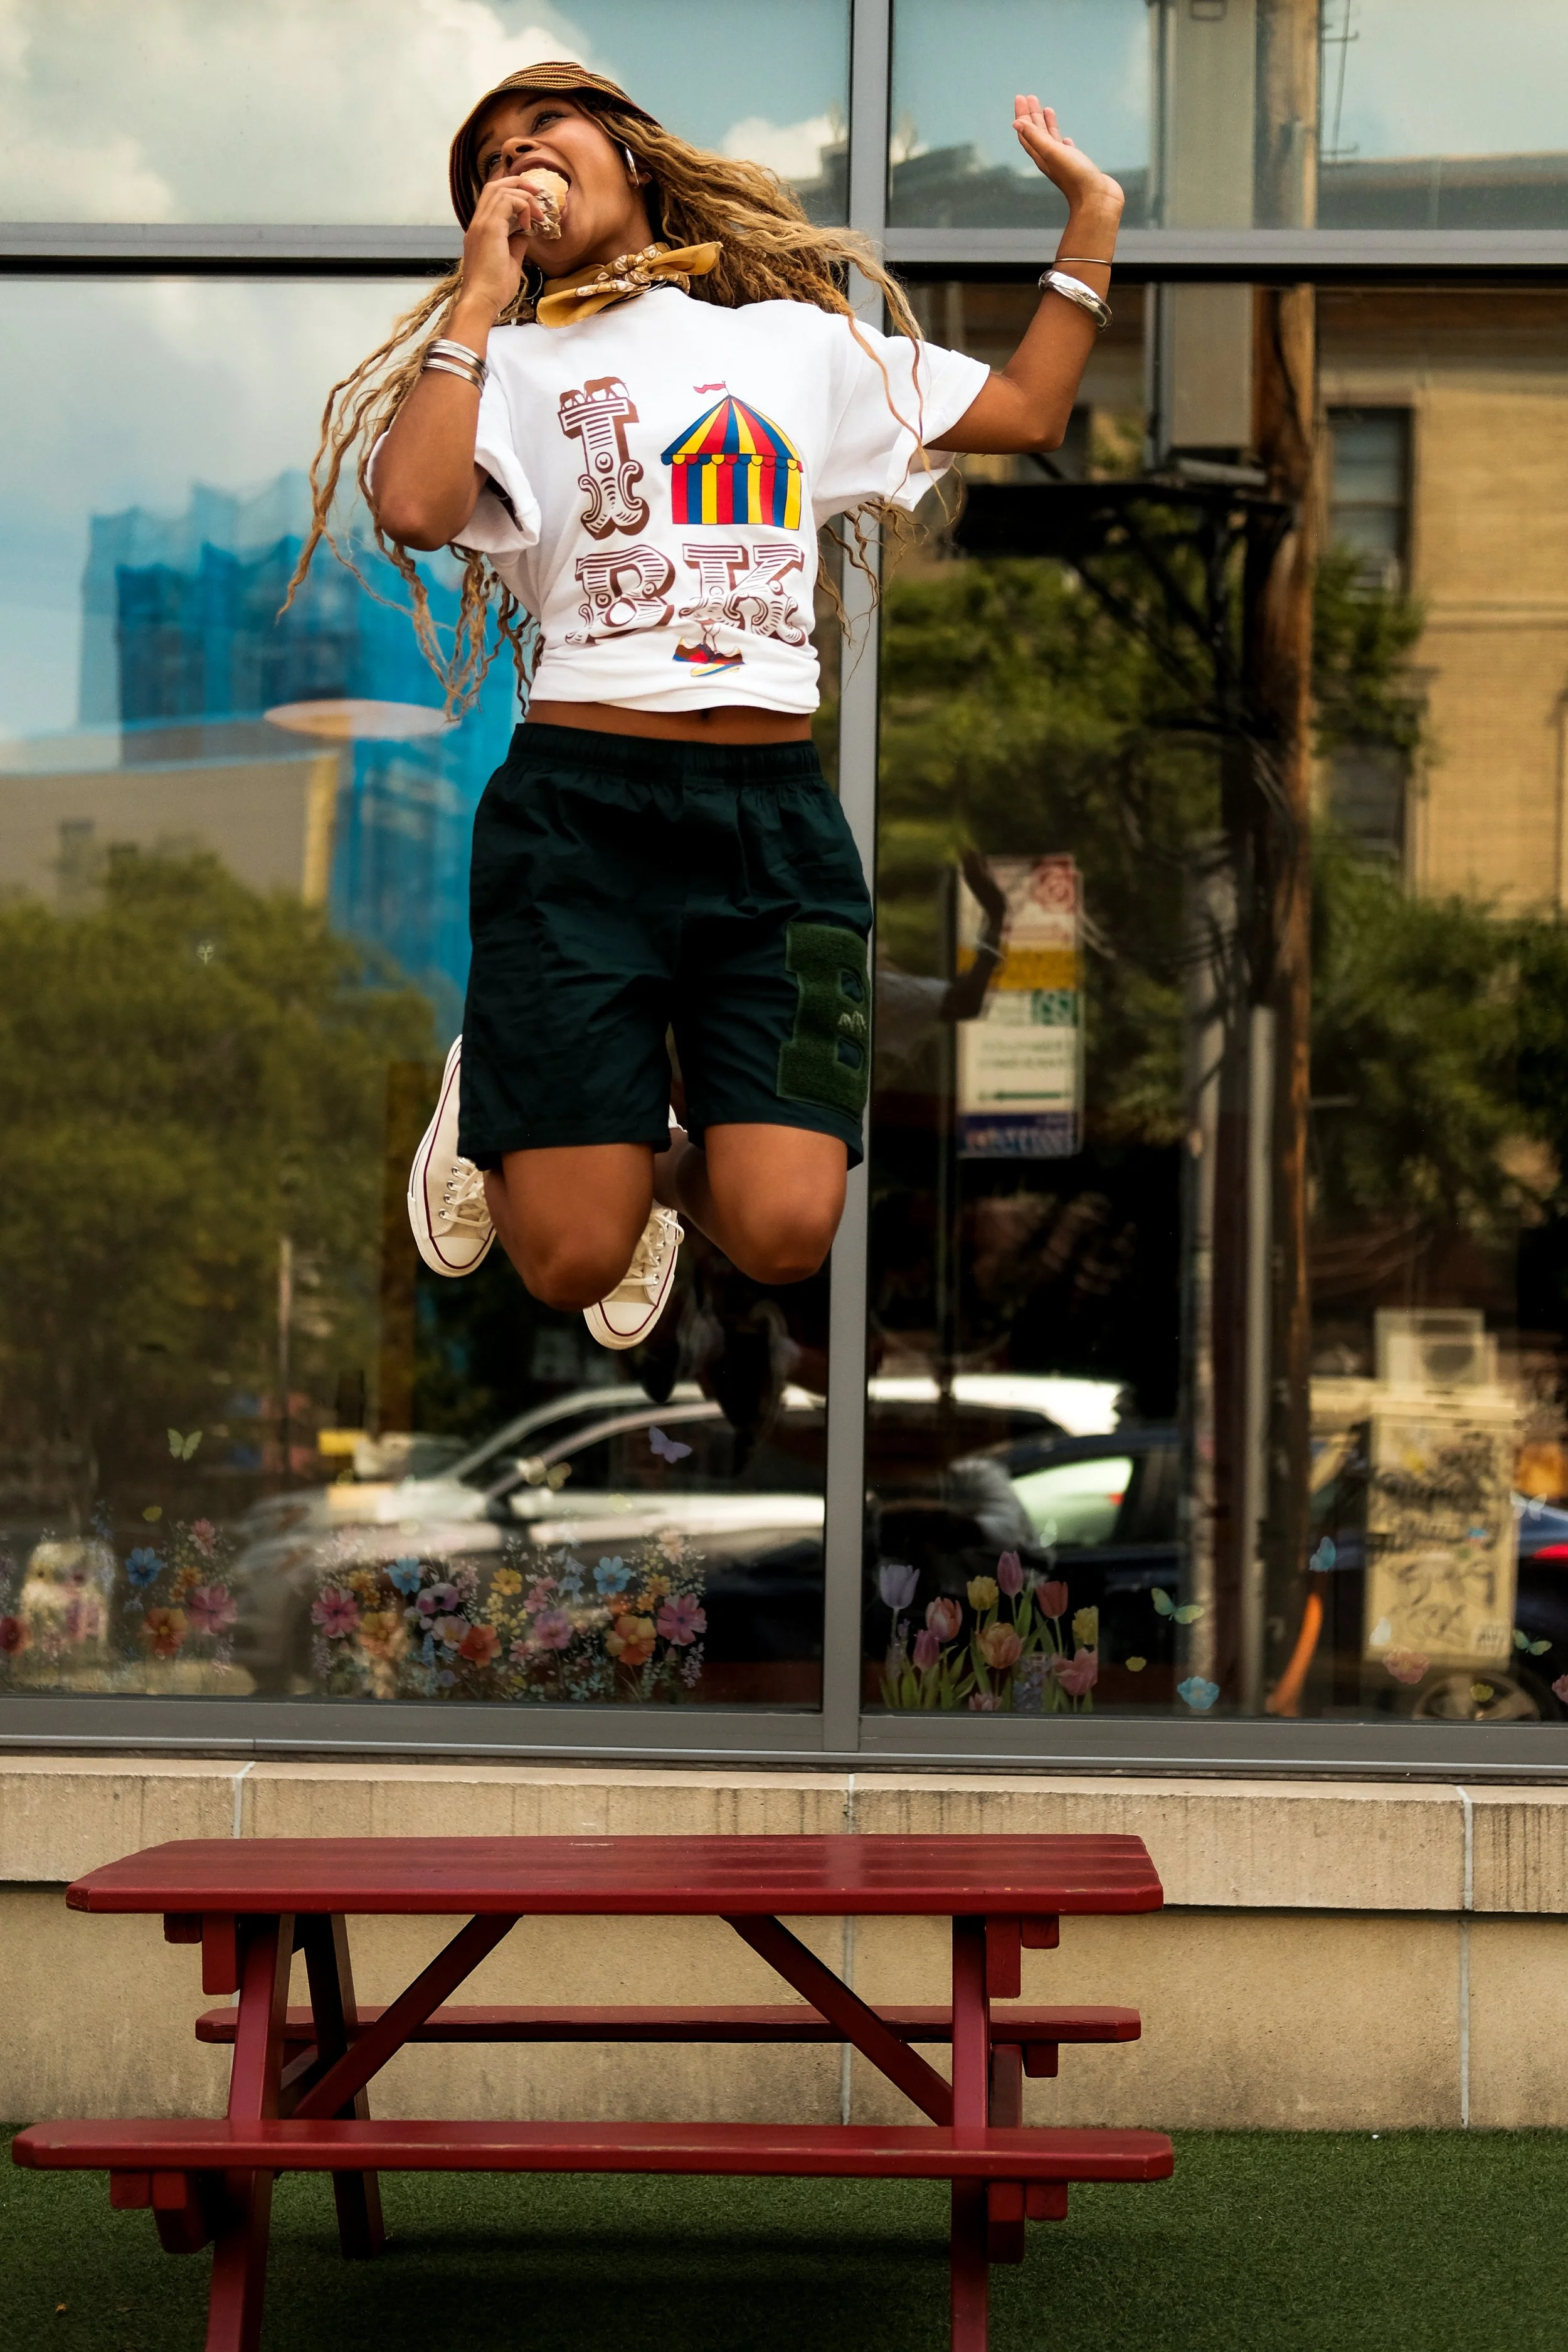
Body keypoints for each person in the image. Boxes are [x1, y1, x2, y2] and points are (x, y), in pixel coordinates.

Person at [287, 60, 1122, 1352]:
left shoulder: (789, 348)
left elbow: (1027, 406)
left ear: (626, 152)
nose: (517, 161)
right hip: (580, 824)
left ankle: (657, 1175)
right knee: (569, 1260)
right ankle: (495, 1091)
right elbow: (410, 506)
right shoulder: (501, 371)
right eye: (490, 163)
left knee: (787, 1228)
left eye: (540, 132)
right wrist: (478, 298)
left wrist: (1092, 226)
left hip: (775, 834)